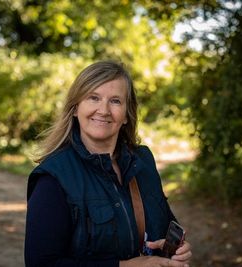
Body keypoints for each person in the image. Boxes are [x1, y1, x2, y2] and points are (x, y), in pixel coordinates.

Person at [24, 60, 192, 267]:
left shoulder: (143, 161)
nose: (103, 110)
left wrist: (173, 248)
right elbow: (41, 264)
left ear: (126, 116)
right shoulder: (54, 177)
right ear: (75, 109)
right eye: (93, 98)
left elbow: (164, 222)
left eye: (115, 101)